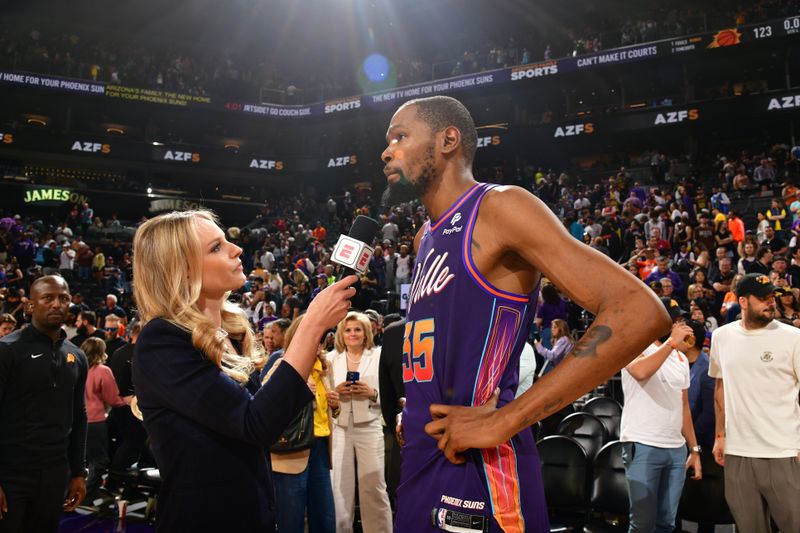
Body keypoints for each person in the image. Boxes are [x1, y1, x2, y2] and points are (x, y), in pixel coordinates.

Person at [380, 96, 669, 532]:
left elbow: (639, 311)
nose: (387, 150)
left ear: (448, 140)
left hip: (480, 473)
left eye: (400, 137)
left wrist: (505, 420)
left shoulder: (499, 208)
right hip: (422, 460)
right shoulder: (425, 238)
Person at [130, 210, 356, 532]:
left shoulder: (233, 335)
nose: (236, 249)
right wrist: (314, 322)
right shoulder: (162, 340)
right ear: (180, 268)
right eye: (216, 248)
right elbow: (256, 423)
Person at [710, 273, 800, 533]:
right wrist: (720, 435)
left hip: (783, 450)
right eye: (762, 298)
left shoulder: (793, 337)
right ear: (743, 302)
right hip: (738, 452)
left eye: (772, 297)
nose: (770, 303)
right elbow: (721, 386)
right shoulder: (721, 337)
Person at [0, 276, 88, 532]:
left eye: (63, 298)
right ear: (29, 306)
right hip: (10, 473)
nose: (57, 304)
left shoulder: (77, 356)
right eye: (47, 298)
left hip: (54, 473)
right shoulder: (7, 351)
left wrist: (79, 472)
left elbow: (79, 416)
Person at [620, 297, 702, 532]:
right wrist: (670, 345)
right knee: (642, 524)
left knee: (667, 522)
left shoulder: (680, 358)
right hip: (643, 443)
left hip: (676, 449)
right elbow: (640, 371)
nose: (677, 324)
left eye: (678, 319)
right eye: (672, 319)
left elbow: (683, 406)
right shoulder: (634, 343)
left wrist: (694, 449)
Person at [264, 316, 335, 533]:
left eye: (321, 338)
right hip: (290, 451)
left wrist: (335, 404)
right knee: (290, 518)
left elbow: (322, 408)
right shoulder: (282, 363)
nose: (319, 343)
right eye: (314, 336)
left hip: (320, 447)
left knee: (325, 517)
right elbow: (263, 405)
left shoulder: (324, 365)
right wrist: (296, 390)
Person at [325, 312, 392, 533]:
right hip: (339, 429)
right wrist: (335, 393)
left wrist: (372, 393)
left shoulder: (379, 356)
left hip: (370, 427)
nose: (352, 334)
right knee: (339, 490)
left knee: (374, 488)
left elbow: (391, 394)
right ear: (341, 334)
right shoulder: (330, 359)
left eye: (357, 329)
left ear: (366, 333)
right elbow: (323, 399)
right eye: (348, 330)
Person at [81, 337, 127, 502]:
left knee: (78, 460)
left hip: (75, 420)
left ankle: (71, 493)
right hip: (94, 421)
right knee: (99, 461)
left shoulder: (75, 367)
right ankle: (84, 496)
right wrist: (130, 401)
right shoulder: (102, 371)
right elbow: (113, 399)